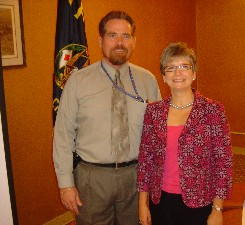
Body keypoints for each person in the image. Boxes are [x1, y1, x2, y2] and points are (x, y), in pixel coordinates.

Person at [53, 11, 161, 225]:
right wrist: (66, 184)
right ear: (100, 40)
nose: (120, 42)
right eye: (112, 35)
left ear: (134, 42)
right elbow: (63, 134)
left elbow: (157, 133)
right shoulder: (78, 81)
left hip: (135, 178)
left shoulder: (147, 80)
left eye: (126, 36)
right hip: (93, 179)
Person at [137, 42, 233, 225]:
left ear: (194, 73)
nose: (178, 73)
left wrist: (217, 209)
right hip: (161, 201)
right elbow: (145, 160)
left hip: (199, 202)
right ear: (164, 76)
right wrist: (143, 203)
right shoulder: (153, 112)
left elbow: (223, 164)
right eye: (171, 68)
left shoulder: (212, 110)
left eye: (184, 67)